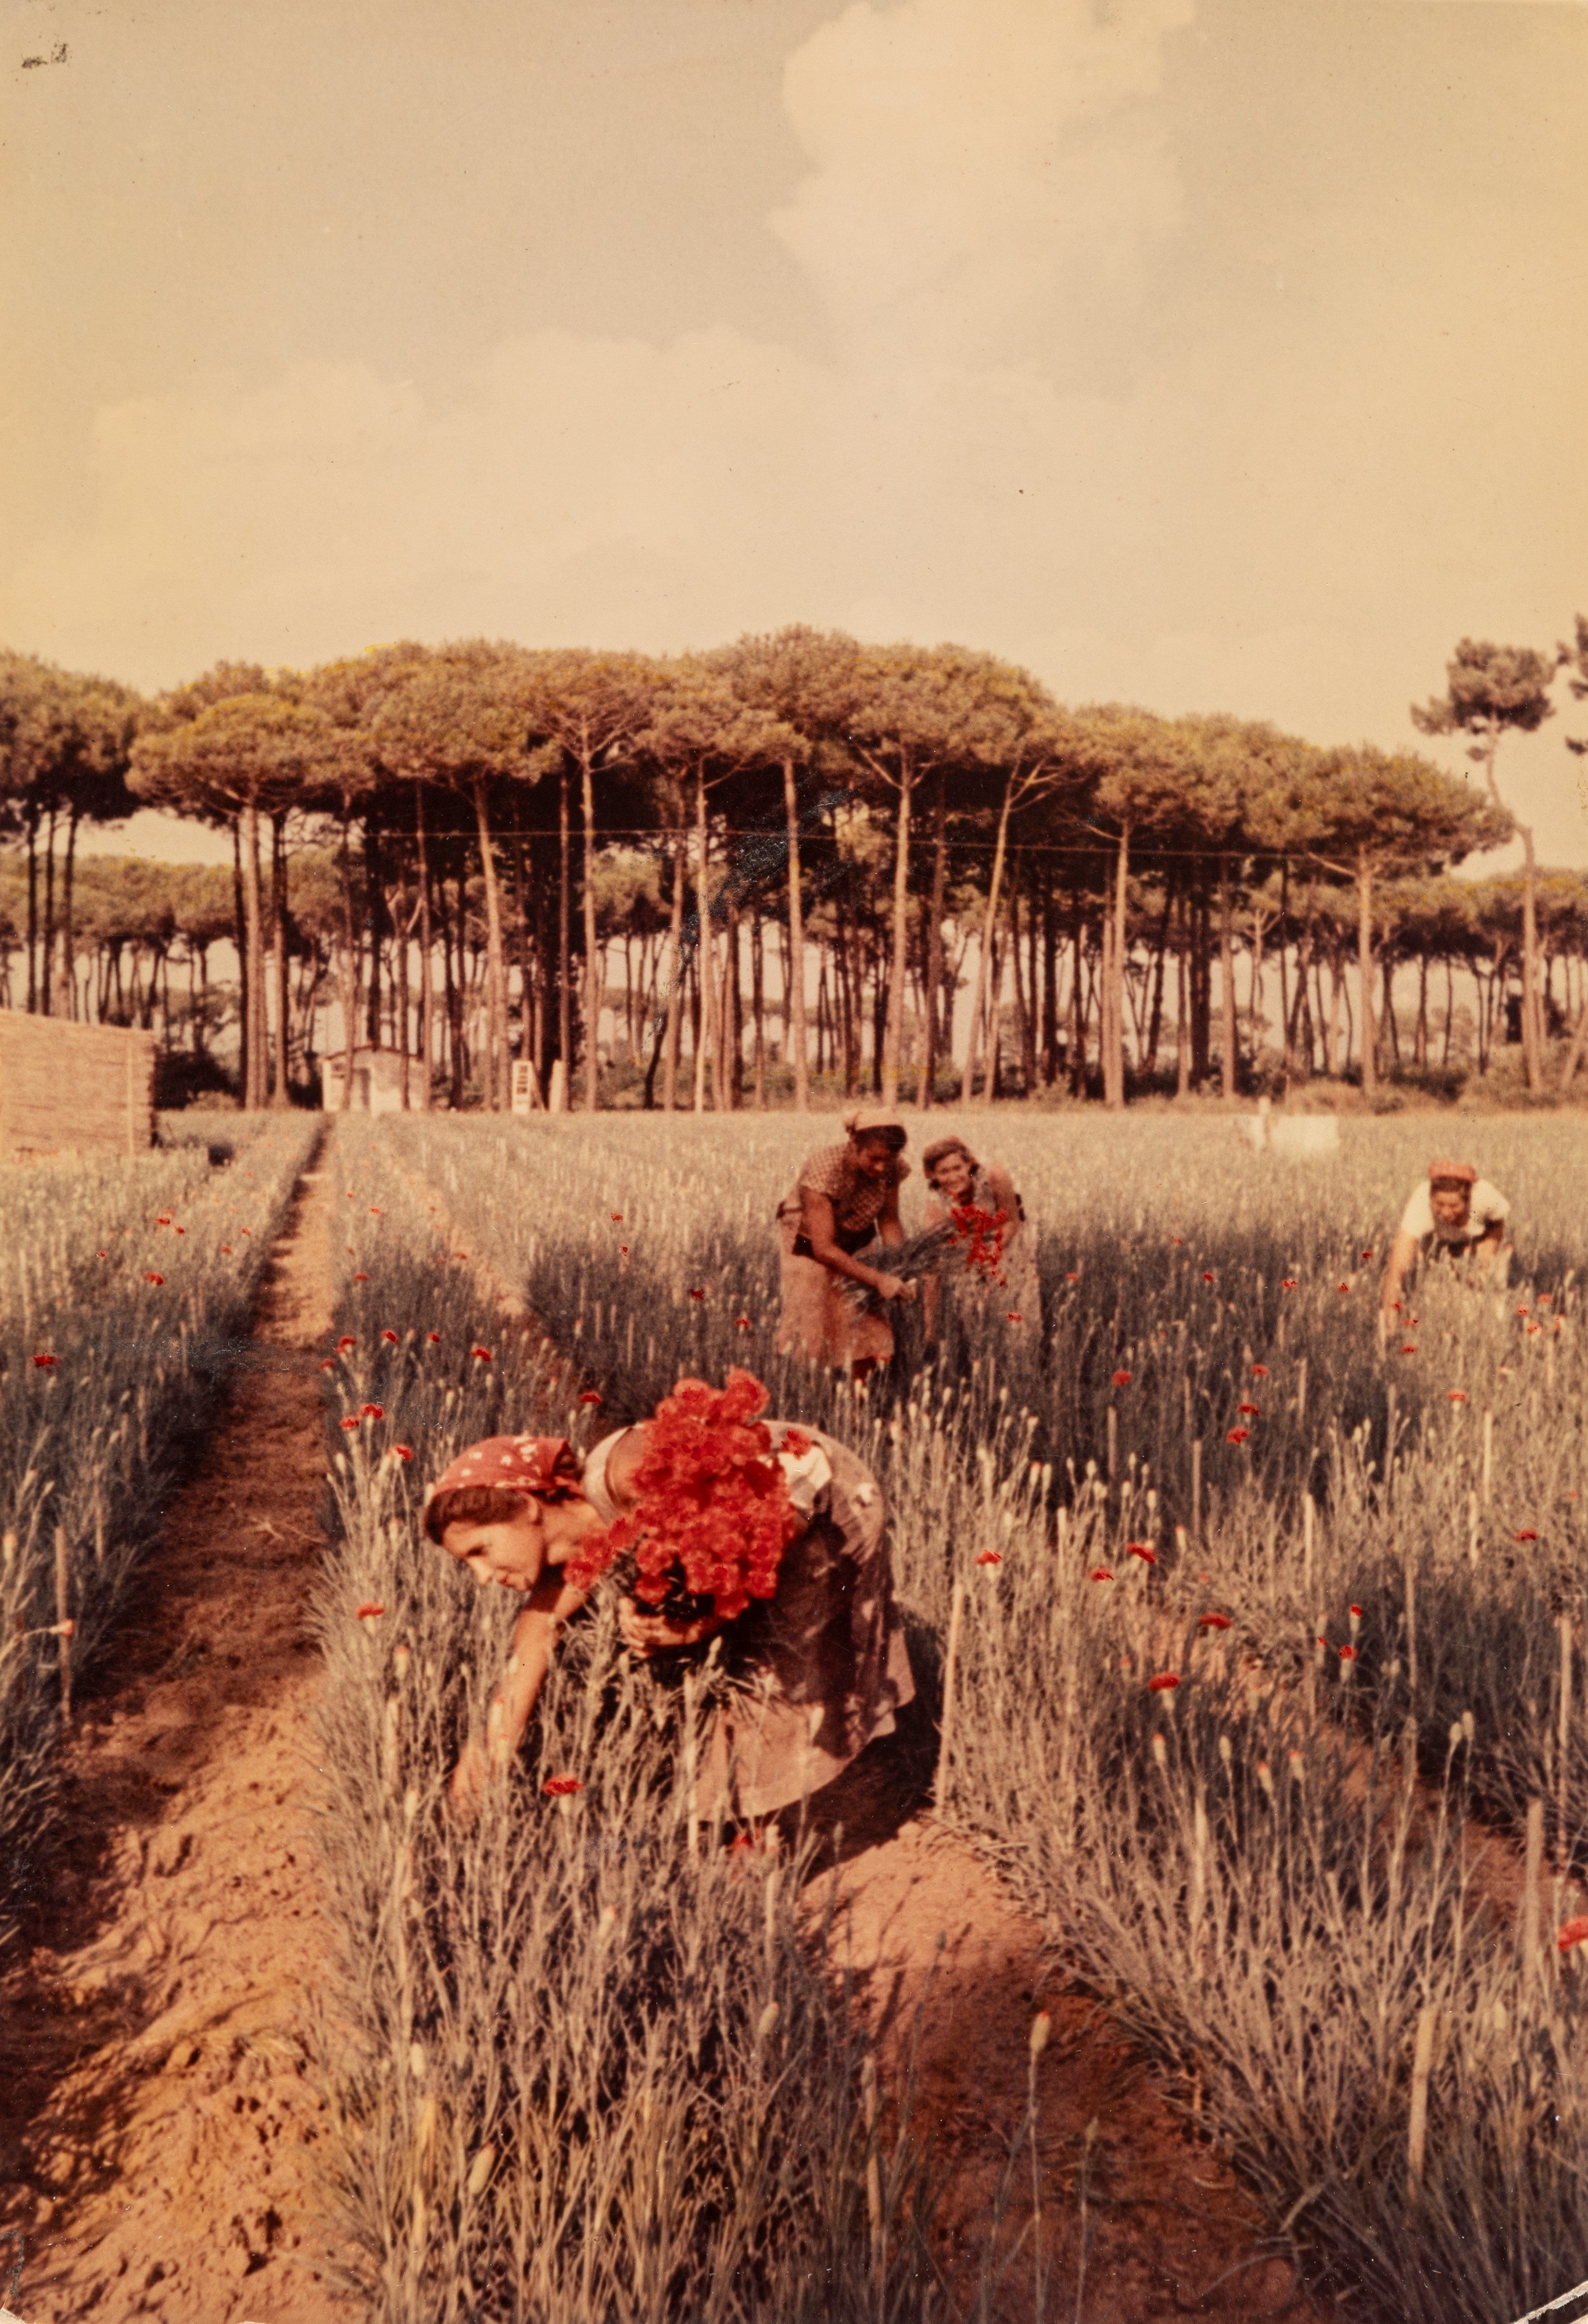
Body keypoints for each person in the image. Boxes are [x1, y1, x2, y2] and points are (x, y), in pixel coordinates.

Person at [427, 1373, 915, 1824]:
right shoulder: (563, 1570)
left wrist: (704, 1624)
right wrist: (460, 1815)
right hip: (748, 1544)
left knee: (779, 1669)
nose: (482, 1577)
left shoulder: (625, 1476)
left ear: (525, 1506)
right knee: (742, 1663)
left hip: (814, 1500)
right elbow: (516, 1682)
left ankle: (779, 1823)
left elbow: (780, 1502)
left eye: (480, 1551)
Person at [775, 1106, 915, 1380]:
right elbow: (824, 1249)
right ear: (854, 1142)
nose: (882, 1167)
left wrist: (901, 1267)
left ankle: (858, 1395)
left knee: (865, 1317)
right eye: (874, 1159)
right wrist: (879, 1279)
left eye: (889, 1160)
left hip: (856, 1234)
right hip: (808, 1241)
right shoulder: (825, 1169)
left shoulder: (891, 1167)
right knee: (813, 1319)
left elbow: (889, 1220)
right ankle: (808, 1390)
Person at [919, 1135, 1041, 1340]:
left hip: (1008, 1234)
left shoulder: (994, 1175)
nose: (953, 1177)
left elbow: (1012, 1220)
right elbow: (933, 1263)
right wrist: (930, 1325)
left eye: (957, 1168)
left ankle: (1021, 1350)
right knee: (974, 1305)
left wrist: (994, 1251)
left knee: (1013, 1300)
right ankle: (982, 1346)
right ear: (933, 1175)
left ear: (969, 1164)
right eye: (944, 1172)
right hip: (968, 1242)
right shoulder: (936, 1204)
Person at [1380, 1158, 1511, 1315]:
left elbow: (1499, 1222)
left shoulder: (1484, 1196)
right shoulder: (1421, 1202)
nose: (1446, 1212)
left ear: (1468, 1198)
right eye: (1440, 1205)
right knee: (1435, 1292)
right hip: (1441, 1243)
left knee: (1487, 1290)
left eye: (1454, 1206)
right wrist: (1388, 1316)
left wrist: (1487, 1255)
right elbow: (1397, 1266)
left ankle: (1494, 1321)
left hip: (1480, 1239)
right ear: (1431, 1197)